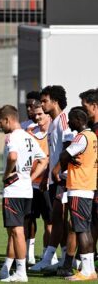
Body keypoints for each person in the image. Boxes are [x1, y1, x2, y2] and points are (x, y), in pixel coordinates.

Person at [0, 105, 47, 282]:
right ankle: (6, 270)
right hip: (26, 190)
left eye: (0, 121)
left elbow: (13, 157)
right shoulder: (29, 137)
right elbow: (43, 160)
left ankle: (21, 272)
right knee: (13, 232)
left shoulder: (12, 137)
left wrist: (7, 173)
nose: (0, 125)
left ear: (8, 120)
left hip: (14, 191)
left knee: (16, 232)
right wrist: (30, 178)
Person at [30, 85, 75, 272]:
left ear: (55, 102)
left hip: (64, 180)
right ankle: (65, 260)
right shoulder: (53, 122)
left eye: (44, 101)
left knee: (58, 219)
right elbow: (54, 154)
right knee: (60, 221)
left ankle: (48, 259)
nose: (41, 104)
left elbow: (69, 151)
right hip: (54, 179)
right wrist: (45, 178)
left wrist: (57, 172)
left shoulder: (64, 121)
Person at [58, 107, 97, 281]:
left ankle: (86, 271)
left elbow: (63, 155)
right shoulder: (93, 136)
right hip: (88, 186)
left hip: (78, 187)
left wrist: (67, 157)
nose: (69, 123)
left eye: (71, 119)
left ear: (79, 120)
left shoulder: (81, 137)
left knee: (80, 229)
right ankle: (89, 269)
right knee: (85, 229)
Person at [25, 102, 53, 266]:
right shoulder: (30, 132)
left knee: (49, 221)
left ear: (48, 115)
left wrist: (45, 178)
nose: (37, 118)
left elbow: (51, 158)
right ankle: (28, 254)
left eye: (40, 114)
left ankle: (46, 256)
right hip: (30, 185)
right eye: (35, 115)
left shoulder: (53, 132)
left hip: (46, 185)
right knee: (29, 219)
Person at [79, 88, 98, 268]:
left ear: (94, 106)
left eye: (85, 106)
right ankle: (89, 264)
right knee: (91, 223)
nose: (83, 110)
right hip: (91, 185)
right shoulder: (91, 129)